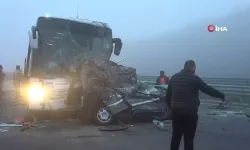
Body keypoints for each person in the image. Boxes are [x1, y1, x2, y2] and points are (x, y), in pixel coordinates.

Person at [166, 60, 227, 150]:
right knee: (189, 139)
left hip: (176, 113)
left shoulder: (174, 78)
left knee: (175, 137)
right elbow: (207, 89)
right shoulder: (194, 78)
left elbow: (168, 95)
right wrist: (222, 95)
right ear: (192, 67)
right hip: (190, 113)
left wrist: (170, 108)